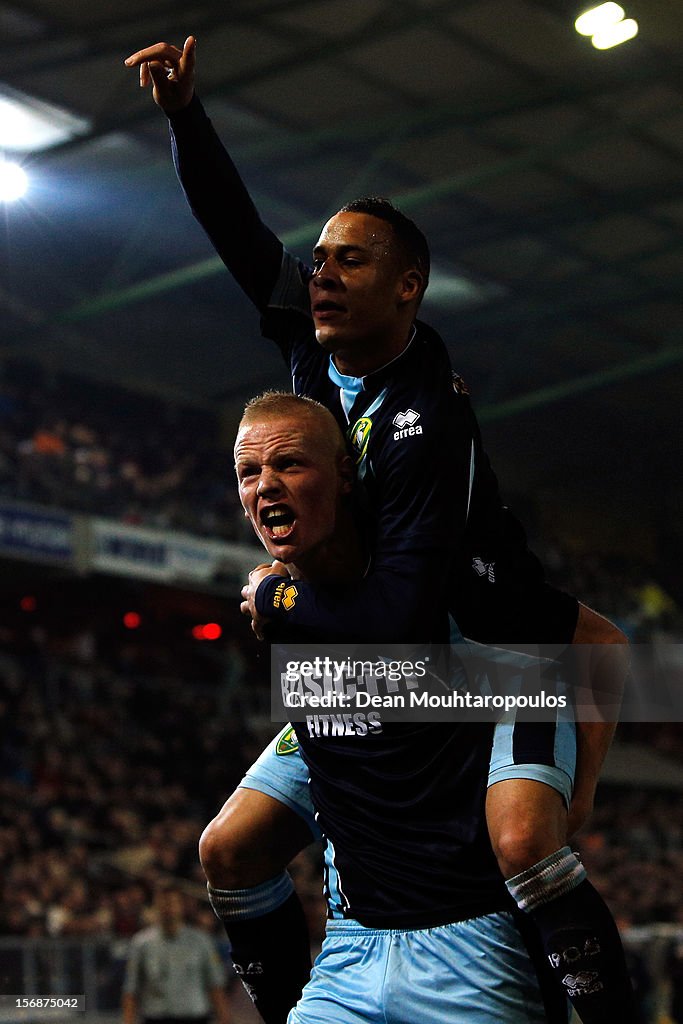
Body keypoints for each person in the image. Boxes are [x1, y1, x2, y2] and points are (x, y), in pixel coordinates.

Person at [124, 37, 634, 1024]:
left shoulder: (426, 415)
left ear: (407, 286)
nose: (318, 274)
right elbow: (237, 234)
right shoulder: (307, 357)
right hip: (371, 647)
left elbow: (404, 607)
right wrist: (185, 116)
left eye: (347, 261)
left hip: (478, 643)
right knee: (227, 848)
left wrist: (281, 597)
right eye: (315, 260)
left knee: (524, 839)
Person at [232, 390, 550, 1024]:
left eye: (289, 465)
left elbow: (593, 644)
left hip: (472, 947)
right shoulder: (282, 597)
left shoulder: (435, 570)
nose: (266, 486)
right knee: (227, 848)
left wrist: (582, 785)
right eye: (248, 472)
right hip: (351, 954)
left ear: (347, 473)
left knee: (527, 845)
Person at [122, 884, 229, 1024]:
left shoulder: (201, 942)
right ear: (155, 906)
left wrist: (225, 1019)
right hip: (156, 1018)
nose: (168, 908)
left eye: (172, 903)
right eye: (163, 903)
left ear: (181, 906)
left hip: (194, 1018)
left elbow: (215, 986)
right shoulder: (141, 944)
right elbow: (131, 991)